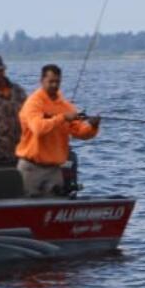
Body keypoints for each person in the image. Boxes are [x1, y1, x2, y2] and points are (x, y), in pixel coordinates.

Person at [15, 63, 100, 197]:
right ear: (42, 81)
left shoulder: (65, 106)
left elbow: (80, 132)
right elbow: (38, 128)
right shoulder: (33, 103)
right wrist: (62, 118)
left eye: (57, 82)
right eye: (51, 81)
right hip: (31, 169)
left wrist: (93, 126)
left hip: (54, 170)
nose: (54, 85)